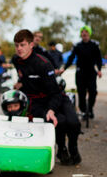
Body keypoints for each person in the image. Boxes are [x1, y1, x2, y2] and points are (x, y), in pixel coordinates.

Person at [12, 29, 81, 165]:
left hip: (56, 96)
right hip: (36, 102)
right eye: (16, 45)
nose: (19, 49)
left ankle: (73, 148)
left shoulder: (43, 63)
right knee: (59, 121)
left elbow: (55, 92)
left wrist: (51, 109)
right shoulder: (16, 60)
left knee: (74, 123)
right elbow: (24, 77)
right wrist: (21, 83)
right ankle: (61, 149)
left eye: (22, 45)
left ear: (31, 45)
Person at [60, 25, 103, 119]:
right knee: (81, 92)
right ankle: (83, 111)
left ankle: (90, 109)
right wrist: (64, 68)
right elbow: (71, 58)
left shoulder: (95, 45)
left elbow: (99, 58)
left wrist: (99, 70)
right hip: (80, 72)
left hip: (91, 72)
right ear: (81, 34)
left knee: (93, 91)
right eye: (83, 32)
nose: (84, 34)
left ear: (89, 34)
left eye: (86, 32)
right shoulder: (77, 45)